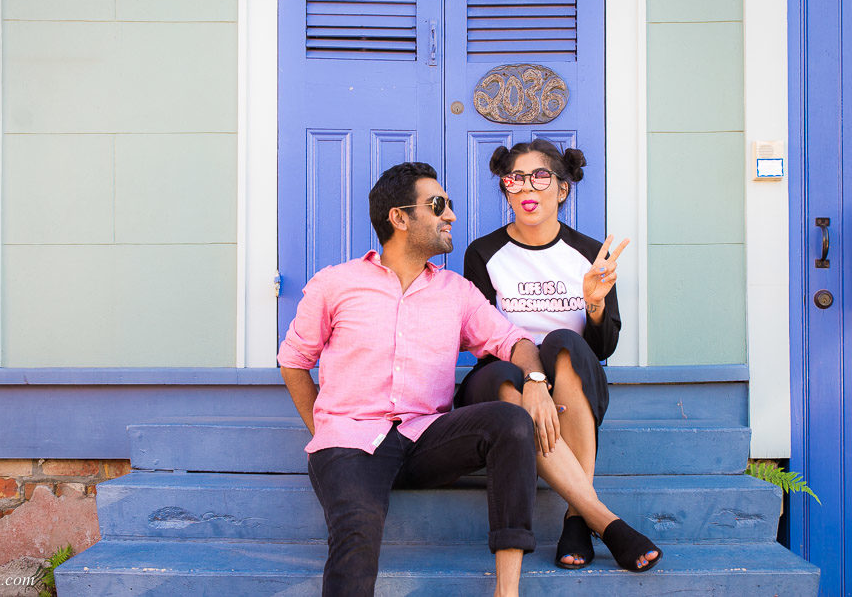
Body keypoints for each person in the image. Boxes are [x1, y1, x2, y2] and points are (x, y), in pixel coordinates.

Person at [278, 162, 658, 597]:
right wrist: (325, 428)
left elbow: (513, 342)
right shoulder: (335, 284)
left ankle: (507, 591)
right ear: (399, 218)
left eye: (449, 206)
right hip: (351, 441)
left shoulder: (456, 292)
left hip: (424, 439)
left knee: (510, 421)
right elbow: (293, 361)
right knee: (356, 535)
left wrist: (534, 381)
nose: (451, 216)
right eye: (438, 205)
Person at [456, 139, 661, 572]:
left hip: (571, 372)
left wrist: (594, 304)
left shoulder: (589, 253)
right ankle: (599, 518)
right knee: (509, 374)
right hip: (504, 373)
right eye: (514, 179)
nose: (527, 187)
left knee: (562, 344)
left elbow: (603, 348)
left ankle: (574, 516)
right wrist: (532, 380)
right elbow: (477, 336)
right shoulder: (482, 253)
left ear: (562, 189)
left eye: (540, 176)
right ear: (506, 191)